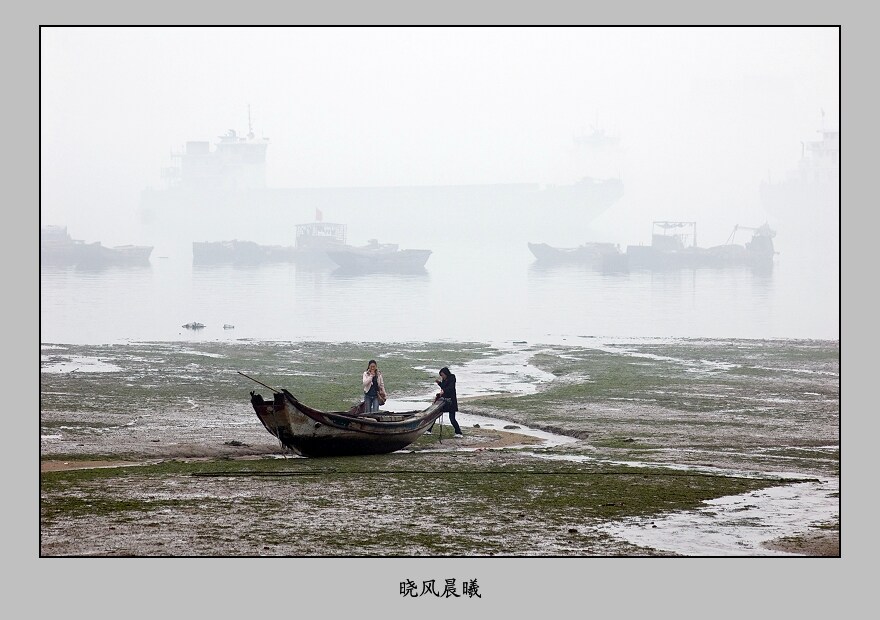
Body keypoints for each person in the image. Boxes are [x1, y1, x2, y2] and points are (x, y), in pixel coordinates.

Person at [427, 366, 462, 437]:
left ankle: (458, 432)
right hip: (443, 401)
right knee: (435, 414)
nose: (442, 377)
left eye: (442, 375)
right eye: (441, 375)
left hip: (451, 401)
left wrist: (444, 391)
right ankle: (429, 430)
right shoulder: (444, 379)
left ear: (446, 373)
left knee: (452, 418)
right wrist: (439, 383)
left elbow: (451, 388)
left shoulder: (452, 377)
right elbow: (443, 387)